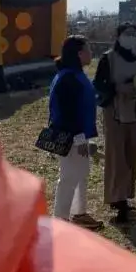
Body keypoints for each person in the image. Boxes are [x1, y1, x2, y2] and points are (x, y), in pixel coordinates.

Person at [93, 22, 136, 224]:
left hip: (134, 113)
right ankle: (117, 199)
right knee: (117, 159)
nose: (130, 37)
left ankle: (125, 196)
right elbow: (98, 84)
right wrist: (117, 88)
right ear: (118, 36)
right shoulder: (108, 59)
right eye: (127, 33)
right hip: (114, 113)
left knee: (131, 157)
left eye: (134, 33)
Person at [48, 35, 102, 230]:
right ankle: (60, 220)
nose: (91, 53)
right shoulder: (68, 78)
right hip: (70, 136)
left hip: (79, 135)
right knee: (69, 177)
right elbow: (68, 113)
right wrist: (79, 139)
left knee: (81, 173)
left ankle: (79, 213)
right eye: (88, 49)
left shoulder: (75, 75)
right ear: (79, 54)